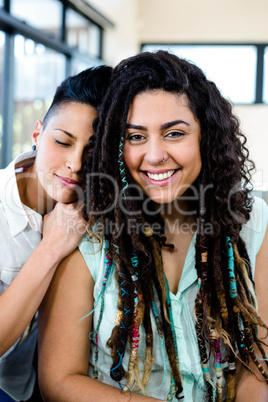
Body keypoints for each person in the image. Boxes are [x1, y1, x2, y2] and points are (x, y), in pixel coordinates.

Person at [38, 51, 268, 401]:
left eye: (174, 133)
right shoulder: (87, 233)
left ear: (204, 137)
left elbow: (259, 360)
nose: (155, 154)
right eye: (135, 137)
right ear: (116, 145)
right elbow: (59, 379)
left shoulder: (253, 223)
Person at [0, 64, 112, 401]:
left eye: (92, 151)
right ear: (37, 135)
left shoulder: (103, 202)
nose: (75, 164)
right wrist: (51, 248)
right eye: (62, 141)